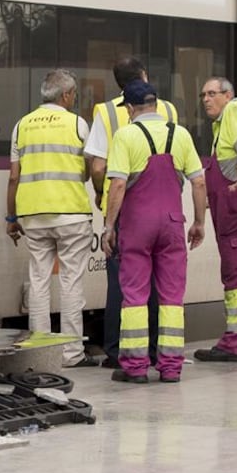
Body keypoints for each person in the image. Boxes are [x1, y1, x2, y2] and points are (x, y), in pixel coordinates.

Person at [103, 79, 207, 383]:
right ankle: (171, 367)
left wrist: (109, 226)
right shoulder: (181, 134)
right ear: (157, 105)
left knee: (135, 294)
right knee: (172, 296)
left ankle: (135, 368)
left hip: (137, 225)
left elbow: (118, 184)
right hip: (173, 223)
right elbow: (199, 182)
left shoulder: (126, 136)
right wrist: (199, 222)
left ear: (131, 108)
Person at [85, 57, 179, 370]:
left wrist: (102, 193)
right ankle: (155, 351)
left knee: (123, 281)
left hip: (126, 209)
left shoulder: (107, 112)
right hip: (166, 208)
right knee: (159, 282)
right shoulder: (168, 110)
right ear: (144, 77)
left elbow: (98, 167)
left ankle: (117, 351)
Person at [5, 69, 97, 368]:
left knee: (39, 281)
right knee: (71, 284)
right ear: (67, 95)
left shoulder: (22, 125)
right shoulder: (77, 124)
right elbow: (90, 167)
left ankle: (39, 352)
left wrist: (11, 217)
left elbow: (14, 177)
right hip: (70, 213)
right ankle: (71, 355)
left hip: (32, 215)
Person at [195, 77, 237, 362]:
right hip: (235, 210)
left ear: (228, 95)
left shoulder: (235, 112)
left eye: (212, 94)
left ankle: (235, 343)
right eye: (203, 95)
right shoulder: (220, 125)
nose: (206, 100)